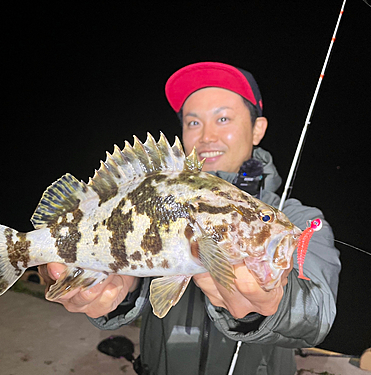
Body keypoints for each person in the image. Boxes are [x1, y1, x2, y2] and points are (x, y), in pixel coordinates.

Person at [39, 62, 341, 375]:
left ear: (258, 129)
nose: (207, 136)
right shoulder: (160, 198)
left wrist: (275, 303)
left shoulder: (298, 218)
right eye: (193, 122)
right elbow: (141, 277)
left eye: (223, 118)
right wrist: (120, 289)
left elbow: (317, 314)